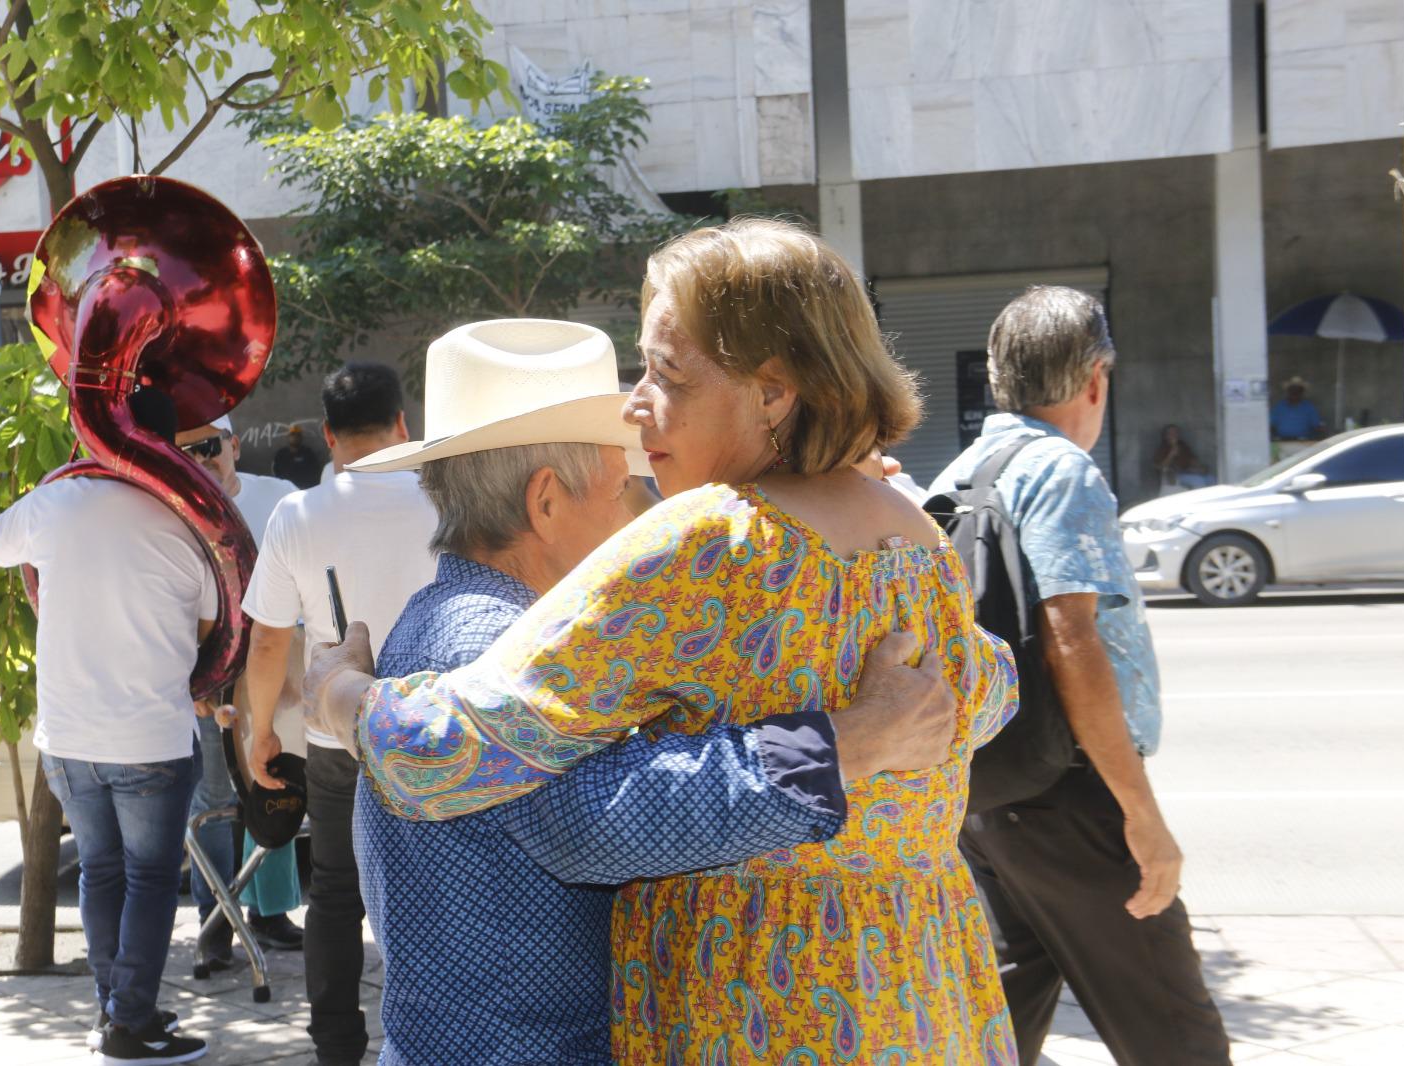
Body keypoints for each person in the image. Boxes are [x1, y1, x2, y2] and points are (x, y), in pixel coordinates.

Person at [310, 219, 1021, 1064]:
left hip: (766, 1001)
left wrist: (338, 696)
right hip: (923, 987)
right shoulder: (916, 532)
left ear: (774, 392)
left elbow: (442, 752)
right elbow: (992, 688)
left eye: (665, 374)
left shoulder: (709, 540)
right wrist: (848, 738)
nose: (634, 405)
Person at [930, 287, 1230, 1065]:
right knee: (1173, 1030)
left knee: (997, 1020)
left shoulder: (962, 472)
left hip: (986, 793)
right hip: (1070, 799)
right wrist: (1140, 814)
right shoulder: (1060, 471)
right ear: (1095, 378)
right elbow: (1072, 640)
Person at [0, 387, 212, 1066]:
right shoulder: (188, 524)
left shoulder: (57, 504)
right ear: (170, 447)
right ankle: (130, 1025)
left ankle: (118, 1011)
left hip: (69, 736)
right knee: (150, 878)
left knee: (101, 873)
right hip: (152, 737)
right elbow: (206, 632)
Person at [240, 363, 436, 1066]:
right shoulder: (448, 499)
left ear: (328, 435)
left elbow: (267, 640)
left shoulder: (298, 513)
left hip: (336, 739)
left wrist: (262, 731)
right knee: (436, 892)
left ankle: (337, 1047)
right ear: (403, 424)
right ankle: (430, 1040)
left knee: (334, 894)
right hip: (433, 731)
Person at [173, 415, 304, 961]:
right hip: (208, 673)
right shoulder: (172, 508)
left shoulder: (281, 497)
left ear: (235, 443)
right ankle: (215, 922)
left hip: (273, 669)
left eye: (209, 446)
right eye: (186, 452)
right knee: (213, 796)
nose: (201, 461)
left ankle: (270, 912)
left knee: (270, 785)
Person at [1153, 424, 1213, 492]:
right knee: (1199, 480)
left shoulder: (1183, 445)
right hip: (1174, 476)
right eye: (1171, 433)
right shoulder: (1162, 448)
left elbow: (1192, 459)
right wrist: (1171, 454)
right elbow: (1160, 466)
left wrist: (1199, 467)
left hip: (1188, 472)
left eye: (1176, 432)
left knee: (1210, 478)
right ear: (1166, 435)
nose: (1174, 435)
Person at [1270, 376, 1324, 442]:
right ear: (1288, 391)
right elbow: (1270, 425)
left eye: (1298, 390)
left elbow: (1318, 425)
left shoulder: (1309, 407)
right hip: (1282, 442)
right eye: (1292, 390)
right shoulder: (1280, 407)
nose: (1294, 393)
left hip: (1303, 443)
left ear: (1302, 392)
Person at [272, 423, 324, 488]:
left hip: (304, 490)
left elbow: (316, 472)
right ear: (288, 437)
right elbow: (275, 472)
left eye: (298, 435)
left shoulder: (308, 453)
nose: (295, 437)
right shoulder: (281, 454)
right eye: (293, 435)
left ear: (301, 437)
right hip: (286, 490)